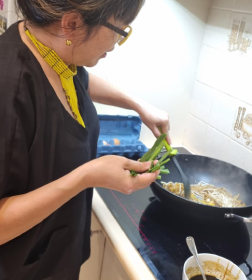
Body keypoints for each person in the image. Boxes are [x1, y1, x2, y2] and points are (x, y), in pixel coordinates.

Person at [0, 0, 171, 279]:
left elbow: (80, 81)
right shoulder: (8, 89)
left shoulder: (51, 49)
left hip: (58, 255)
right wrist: (86, 176)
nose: (117, 43)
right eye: (120, 30)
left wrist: (137, 104)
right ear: (72, 24)